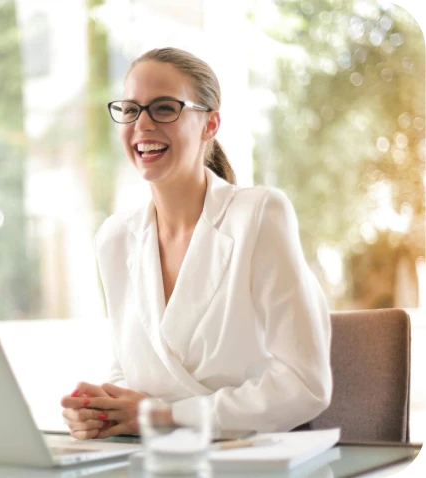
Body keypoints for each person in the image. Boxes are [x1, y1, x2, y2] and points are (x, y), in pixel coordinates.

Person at [60, 47, 332, 440]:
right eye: (131, 109)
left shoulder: (258, 215)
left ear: (210, 124)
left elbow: (305, 384)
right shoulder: (115, 239)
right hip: (157, 460)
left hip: (248, 458)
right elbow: (130, 368)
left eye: (165, 108)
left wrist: (164, 415)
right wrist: (102, 410)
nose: (142, 124)